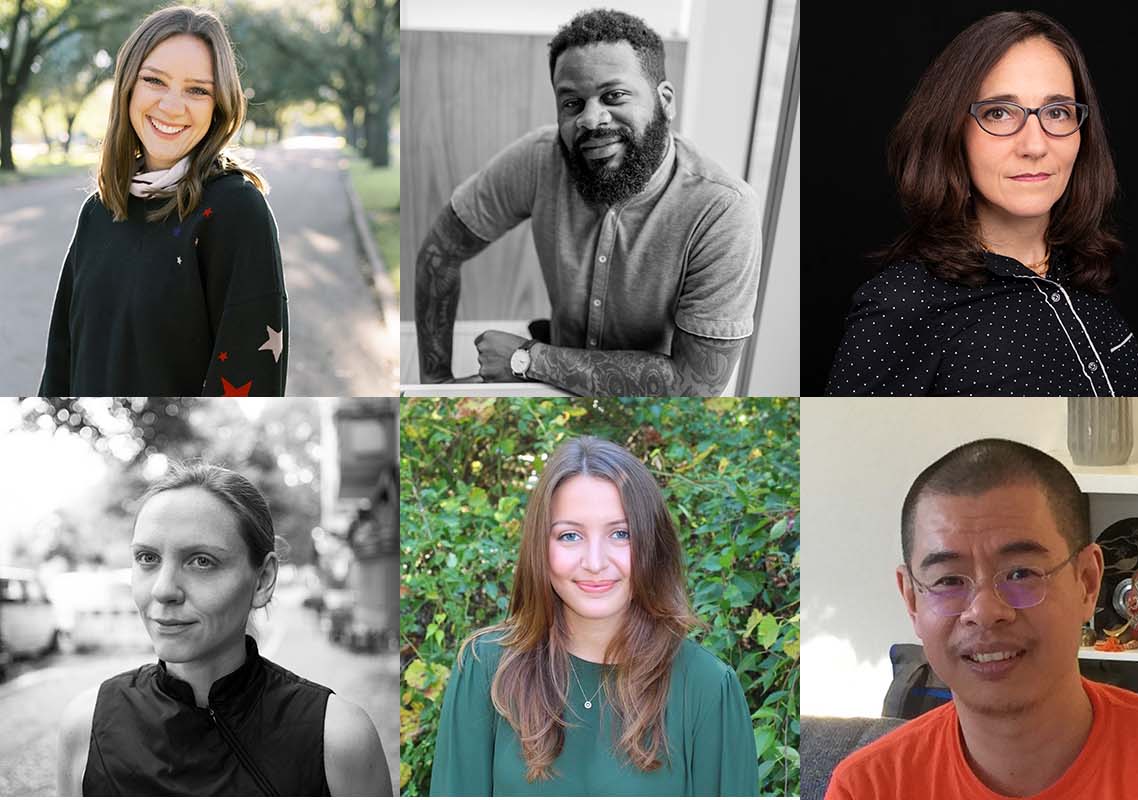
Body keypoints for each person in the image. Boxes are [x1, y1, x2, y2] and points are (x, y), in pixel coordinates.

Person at [413, 9, 761, 396]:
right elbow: (439, 253)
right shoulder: (538, 158)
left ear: (665, 101)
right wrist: (435, 384)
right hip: (546, 390)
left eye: (614, 95)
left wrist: (527, 360)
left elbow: (696, 385)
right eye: (572, 104)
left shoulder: (725, 209)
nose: (591, 120)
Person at [826, 439, 1138, 799]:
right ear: (911, 599)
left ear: (1087, 582)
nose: (985, 612)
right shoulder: (868, 788)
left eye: (1021, 573)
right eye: (949, 580)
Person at [825, 11, 1138, 397]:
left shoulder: (1088, 278)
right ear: (952, 131)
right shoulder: (902, 305)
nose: (1035, 145)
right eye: (999, 113)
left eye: (1058, 112)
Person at [430, 436, 758, 796]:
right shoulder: (484, 670)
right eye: (570, 536)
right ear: (541, 547)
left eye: (621, 534)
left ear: (651, 543)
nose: (596, 562)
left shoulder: (707, 688)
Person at [55, 464, 390, 796]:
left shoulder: (337, 739)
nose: (162, 589)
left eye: (201, 561)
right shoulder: (88, 726)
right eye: (147, 558)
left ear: (263, 580)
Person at [39, 6, 288, 397]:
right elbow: (60, 362)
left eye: (197, 89)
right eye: (155, 80)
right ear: (128, 87)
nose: (172, 106)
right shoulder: (98, 211)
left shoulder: (235, 212)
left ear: (218, 104)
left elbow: (249, 379)